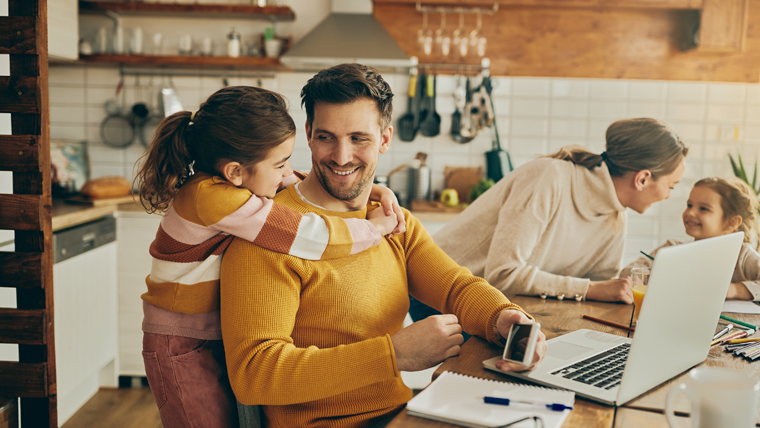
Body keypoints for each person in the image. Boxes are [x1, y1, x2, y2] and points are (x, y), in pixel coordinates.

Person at [220, 64, 547, 428]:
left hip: (399, 415)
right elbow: (254, 374)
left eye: (359, 138)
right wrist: (393, 354)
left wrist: (505, 318)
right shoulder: (270, 234)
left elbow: (455, 286)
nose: (341, 156)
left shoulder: (391, 221)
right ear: (308, 134)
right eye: (327, 137)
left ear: (386, 139)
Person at [133, 86, 404, 428]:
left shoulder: (234, 181)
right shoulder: (212, 198)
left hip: (207, 331)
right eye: (280, 164)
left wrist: (370, 189)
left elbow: (296, 183)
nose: (285, 173)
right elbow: (308, 235)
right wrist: (373, 230)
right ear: (235, 171)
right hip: (180, 343)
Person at [429, 118, 688, 309]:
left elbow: (598, 286)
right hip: (439, 287)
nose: (668, 196)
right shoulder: (549, 176)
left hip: (496, 299)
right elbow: (503, 274)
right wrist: (592, 289)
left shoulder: (615, 213)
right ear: (642, 179)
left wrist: (652, 267)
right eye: (671, 186)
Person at [622, 177, 760, 301]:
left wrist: (734, 290)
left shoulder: (742, 255)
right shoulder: (672, 249)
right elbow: (629, 273)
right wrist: (660, 278)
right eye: (689, 205)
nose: (690, 212)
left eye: (703, 208)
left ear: (732, 223)